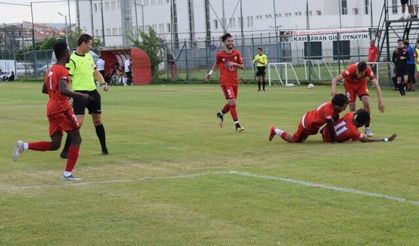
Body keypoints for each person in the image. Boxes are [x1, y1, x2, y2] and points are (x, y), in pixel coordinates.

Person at [12, 41, 90, 180]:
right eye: (68, 49)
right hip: (61, 107)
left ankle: (24, 146)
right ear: (64, 53)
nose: (69, 51)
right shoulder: (62, 70)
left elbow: (44, 89)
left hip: (51, 107)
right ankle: (67, 174)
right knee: (77, 139)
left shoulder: (51, 69)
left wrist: (55, 95)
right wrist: (81, 95)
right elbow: (63, 89)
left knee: (55, 144)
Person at [60, 33, 109, 159]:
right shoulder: (72, 59)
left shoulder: (89, 57)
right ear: (83, 43)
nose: (91, 46)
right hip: (79, 94)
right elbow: (68, 78)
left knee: (97, 121)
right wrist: (69, 94)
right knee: (78, 123)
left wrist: (103, 83)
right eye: (90, 44)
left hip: (93, 93)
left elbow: (95, 72)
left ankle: (104, 148)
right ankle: (65, 150)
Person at [331, 61, 385, 137]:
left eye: (362, 73)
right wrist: (333, 90)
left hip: (361, 84)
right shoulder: (350, 70)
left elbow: (377, 86)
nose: (359, 75)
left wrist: (380, 102)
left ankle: (367, 127)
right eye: (358, 72)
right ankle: (353, 127)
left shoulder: (368, 71)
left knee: (366, 102)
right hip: (349, 85)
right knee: (352, 106)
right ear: (356, 69)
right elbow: (335, 79)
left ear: (365, 71)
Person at [205, 33, 245, 132]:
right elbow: (216, 64)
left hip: (234, 82)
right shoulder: (219, 54)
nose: (231, 42)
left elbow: (243, 66)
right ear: (224, 43)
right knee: (233, 103)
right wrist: (210, 73)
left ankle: (221, 114)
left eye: (232, 41)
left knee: (231, 102)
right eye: (228, 41)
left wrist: (234, 63)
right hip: (225, 82)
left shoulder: (236, 53)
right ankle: (237, 125)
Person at [268, 94, 348, 143]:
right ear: (337, 105)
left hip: (313, 124)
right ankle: (275, 130)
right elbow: (331, 126)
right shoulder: (329, 110)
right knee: (294, 140)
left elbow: (335, 120)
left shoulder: (335, 108)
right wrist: (334, 141)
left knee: (306, 137)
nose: (345, 108)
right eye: (344, 106)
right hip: (307, 123)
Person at [321, 108, 397, 143]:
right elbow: (366, 140)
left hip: (325, 130)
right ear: (363, 123)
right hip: (328, 140)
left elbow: (357, 111)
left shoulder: (349, 115)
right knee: (352, 138)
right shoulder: (355, 132)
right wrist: (384, 139)